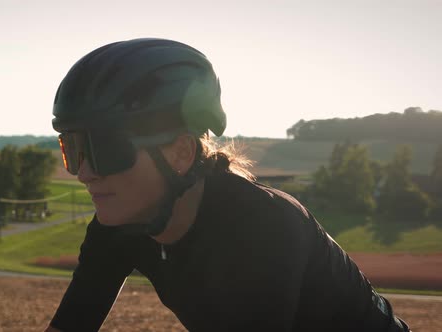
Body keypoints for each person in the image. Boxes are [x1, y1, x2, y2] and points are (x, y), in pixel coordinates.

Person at [44, 38, 411, 331]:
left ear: (180, 153)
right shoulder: (118, 224)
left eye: (105, 149)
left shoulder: (262, 225)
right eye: (73, 149)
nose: (84, 172)